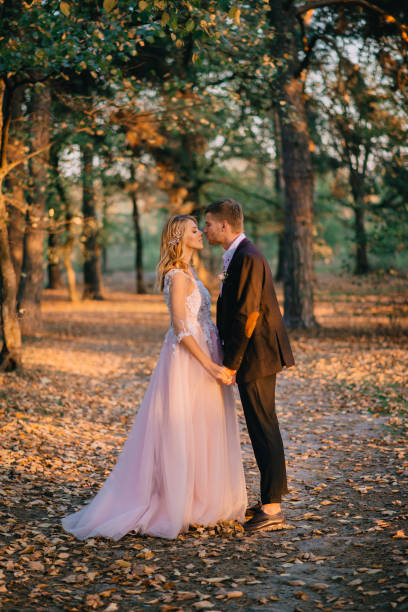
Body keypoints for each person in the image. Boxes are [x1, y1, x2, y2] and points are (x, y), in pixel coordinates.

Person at [62, 215, 247, 540]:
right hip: (189, 362)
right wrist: (209, 365)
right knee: (181, 429)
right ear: (179, 238)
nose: (201, 233)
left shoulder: (192, 271)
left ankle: (199, 499)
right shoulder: (176, 276)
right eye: (194, 230)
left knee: (203, 427)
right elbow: (179, 326)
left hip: (206, 354)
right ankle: (176, 502)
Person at [204, 199, 295, 533]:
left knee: (263, 426)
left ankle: (272, 509)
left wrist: (231, 363)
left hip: (257, 355)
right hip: (252, 354)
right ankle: (270, 500)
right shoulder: (240, 256)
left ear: (225, 226)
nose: (205, 230)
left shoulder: (249, 257)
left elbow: (248, 314)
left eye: (209, 224)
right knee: (260, 426)